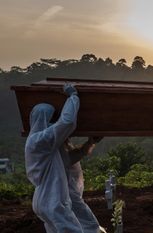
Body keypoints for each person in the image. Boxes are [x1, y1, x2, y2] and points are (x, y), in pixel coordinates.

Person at [25, 84, 83, 233]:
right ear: (45, 119)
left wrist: (91, 143)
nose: (53, 123)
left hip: (44, 199)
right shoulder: (40, 140)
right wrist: (73, 97)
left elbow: (67, 161)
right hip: (53, 200)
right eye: (52, 118)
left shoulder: (37, 142)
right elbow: (67, 122)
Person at [61, 137, 104, 233]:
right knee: (89, 225)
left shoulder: (63, 144)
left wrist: (91, 142)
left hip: (69, 193)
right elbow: (70, 158)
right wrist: (91, 142)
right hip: (67, 194)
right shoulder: (58, 146)